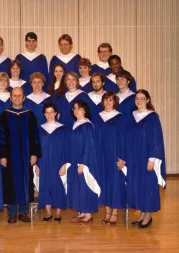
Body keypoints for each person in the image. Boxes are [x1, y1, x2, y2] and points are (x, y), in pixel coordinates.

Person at [0, 87, 41, 223]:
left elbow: (35, 136)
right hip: (10, 156)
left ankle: (24, 212)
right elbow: (1, 137)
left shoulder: (30, 115)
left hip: (26, 155)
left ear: (24, 98)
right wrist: (2, 155)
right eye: (14, 96)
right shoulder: (4, 115)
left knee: (25, 181)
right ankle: (11, 213)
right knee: (11, 182)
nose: (17, 98)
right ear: (10, 98)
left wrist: (34, 154)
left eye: (19, 96)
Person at [127, 90, 166, 228]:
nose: (139, 101)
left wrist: (152, 158)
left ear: (148, 100)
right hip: (134, 157)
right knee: (138, 185)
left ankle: (148, 215)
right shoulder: (132, 116)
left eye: (142, 98)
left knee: (148, 185)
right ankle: (142, 213)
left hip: (146, 157)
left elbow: (156, 139)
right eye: (137, 99)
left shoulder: (152, 117)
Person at [93, 91, 127, 225]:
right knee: (104, 182)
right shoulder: (97, 117)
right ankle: (107, 212)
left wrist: (122, 158)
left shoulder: (120, 117)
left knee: (115, 183)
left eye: (111, 100)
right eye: (106, 100)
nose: (108, 102)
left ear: (115, 102)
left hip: (114, 155)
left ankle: (114, 213)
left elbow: (124, 139)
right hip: (101, 155)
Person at [67, 100, 100, 223]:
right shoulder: (76, 124)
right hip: (76, 160)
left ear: (84, 110)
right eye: (74, 108)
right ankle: (82, 212)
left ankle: (88, 214)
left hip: (85, 161)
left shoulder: (87, 125)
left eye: (79, 108)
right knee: (79, 186)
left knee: (86, 186)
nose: (76, 111)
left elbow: (89, 146)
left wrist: (84, 163)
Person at [36, 102, 67, 222]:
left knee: (58, 185)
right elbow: (37, 148)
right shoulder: (40, 129)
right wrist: (37, 165)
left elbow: (66, 147)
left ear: (56, 113)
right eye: (47, 112)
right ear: (44, 114)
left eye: (52, 112)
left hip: (58, 161)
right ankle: (48, 212)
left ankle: (58, 212)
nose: (49, 115)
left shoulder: (62, 128)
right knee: (45, 185)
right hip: (43, 161)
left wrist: (64, 164)